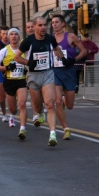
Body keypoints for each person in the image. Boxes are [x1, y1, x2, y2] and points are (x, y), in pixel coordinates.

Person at [14, 16, 65, 146]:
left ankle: (52, 134)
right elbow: (17, 57)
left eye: (44, 25)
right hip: (33, 76)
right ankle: (40, 112)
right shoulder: (28, 41)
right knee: (37, 106)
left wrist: (64, 59)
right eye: (40, 25)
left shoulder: (50, 39)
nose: (43, 28)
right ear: (35, 27)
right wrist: (28, 63)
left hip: (47, 74)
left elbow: (56, 49)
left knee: (50, 104)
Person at [51, 15, 87, 140]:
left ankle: (66, 101)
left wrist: (73, 60)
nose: (54, 25)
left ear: (63, 24)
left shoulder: (70, 36)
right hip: (55, 72)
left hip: (69, 71)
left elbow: (83, 51)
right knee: (57, 101)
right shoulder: (50, 39)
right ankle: (66, 128)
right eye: (52, 23)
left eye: (56, 22)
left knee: (70, 105)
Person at [0, 28, 28, 139]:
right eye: (11, 34)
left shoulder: (24, 50)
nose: (13, 36)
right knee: (13, 108)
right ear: (8, 37)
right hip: (9, 81)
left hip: (21, 80)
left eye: (16, 34)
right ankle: (12, 115)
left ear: (19, 37)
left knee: (22, 104)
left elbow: (30, 62)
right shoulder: (4, 50)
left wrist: (27, 68)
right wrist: (7, 67)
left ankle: (22, 129)